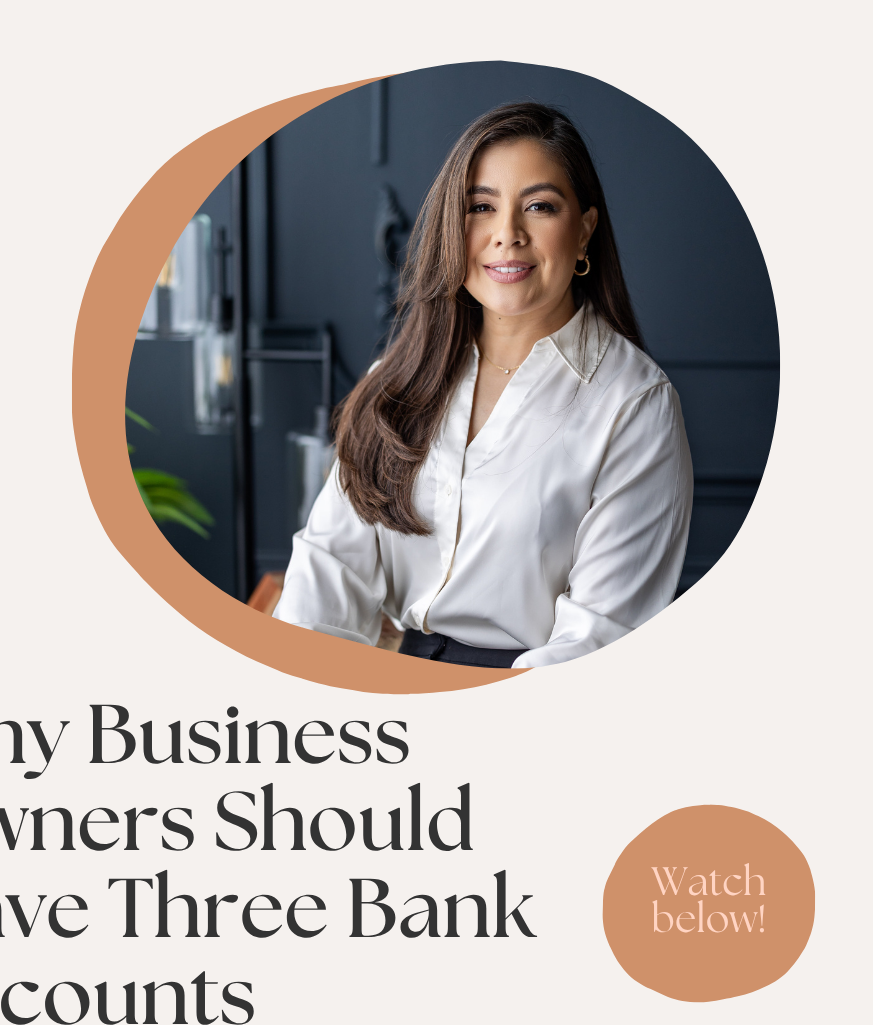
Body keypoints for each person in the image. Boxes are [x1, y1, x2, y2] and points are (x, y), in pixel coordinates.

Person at [272, 102, 693, 669]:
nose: (507, 235)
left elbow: (598, 639)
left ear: (585, 229)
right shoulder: (395, 381)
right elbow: (325, 573)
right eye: (481, 207)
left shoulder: (635, 405)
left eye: (539, 207)